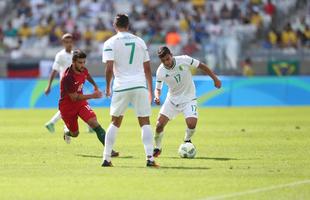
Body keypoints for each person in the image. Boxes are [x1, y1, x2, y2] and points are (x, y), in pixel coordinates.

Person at [101, 14, 158, 167]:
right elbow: (147, 69)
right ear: (128, 25)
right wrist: (151, 91)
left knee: (115, 122)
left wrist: (107, 86)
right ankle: (150, 159)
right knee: (145, 122)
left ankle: (106, 158)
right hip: (139, 85)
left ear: (115, 25)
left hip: (121, 86)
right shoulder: (140, 41)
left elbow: (108, 68)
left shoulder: (110, 42)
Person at [153, 46, 222, 157]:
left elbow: (202, 66)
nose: (166, 62)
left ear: (171, 55)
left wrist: (215, 79)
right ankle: (157, 147)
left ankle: (187, 140)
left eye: (167, 59)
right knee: (159, 125)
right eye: (163, 60)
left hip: (189, 98)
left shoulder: (184, 59)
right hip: (172, 100)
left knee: (191, 123)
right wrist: (157, 96)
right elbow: (158, 88)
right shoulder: (160, 71)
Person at [59, 49, 118, 157]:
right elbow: (74, 98)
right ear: (73, 62)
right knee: (75, 134)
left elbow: (87, 75)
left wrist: (95, 85)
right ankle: (67, 131)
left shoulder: (83, 70)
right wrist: (93, 96)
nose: (82, 65)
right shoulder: (68, 78)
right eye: (80, 63)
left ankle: (109, 150)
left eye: (84, 62)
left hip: (81, 103)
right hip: (67, 107)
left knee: (94, 123)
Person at [44, 33, 92, 133]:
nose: (68, 44)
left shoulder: (75, 54)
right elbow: (54, 70)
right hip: (66, 86)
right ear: (63, 43)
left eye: (70, 42)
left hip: (77, 84)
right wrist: (49, 86)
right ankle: (86, 126)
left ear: (72, 42)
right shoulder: (60, 55)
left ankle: (52, 123)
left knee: (75, 105)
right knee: (76, 104)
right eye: (66, 42)